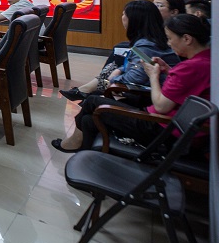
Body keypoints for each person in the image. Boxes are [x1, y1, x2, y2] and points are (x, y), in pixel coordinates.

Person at [52, 14, 210, 153]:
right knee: (88, 119)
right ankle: (84, 152)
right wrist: (169, 71)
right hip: (173, 127)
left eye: (170, 38)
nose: (168, 44)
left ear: (187, 39)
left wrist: (153, 75)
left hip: (162, 129)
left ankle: (75, 143)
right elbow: (184, 86)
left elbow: (161, 106)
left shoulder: (190, 67)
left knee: (93, 101)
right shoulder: (206, 60)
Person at [59, 0, 179, 102]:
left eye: (123, 14)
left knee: (91, 102)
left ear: (134, 20)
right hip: (153, 91)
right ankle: (85, 91)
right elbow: (138, 67)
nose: (122, 18)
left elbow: (135, 78)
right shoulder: (151, 40)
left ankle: (86, 92)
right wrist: (120, 69)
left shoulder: (146, 46)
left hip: (150, 96)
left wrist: (114, 78)